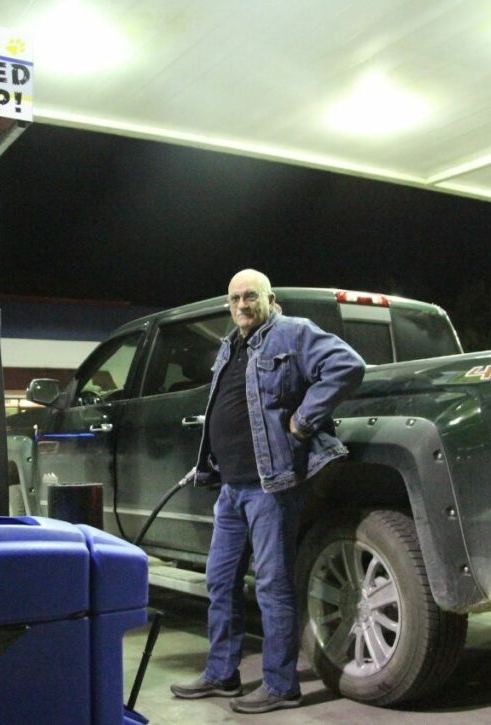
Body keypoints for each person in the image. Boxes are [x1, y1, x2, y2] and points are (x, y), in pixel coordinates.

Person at [170, 269, 365, 714]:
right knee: (220, 581)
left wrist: (303, 421)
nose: (242, 305)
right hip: (231, 488)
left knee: (273, 586)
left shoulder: (292, 332)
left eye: (250, 297)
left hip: (270, 486)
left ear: (269, 298)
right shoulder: (230, 345)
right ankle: (222, 674)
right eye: (235, 299)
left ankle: (281, 685)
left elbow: (347, 365)